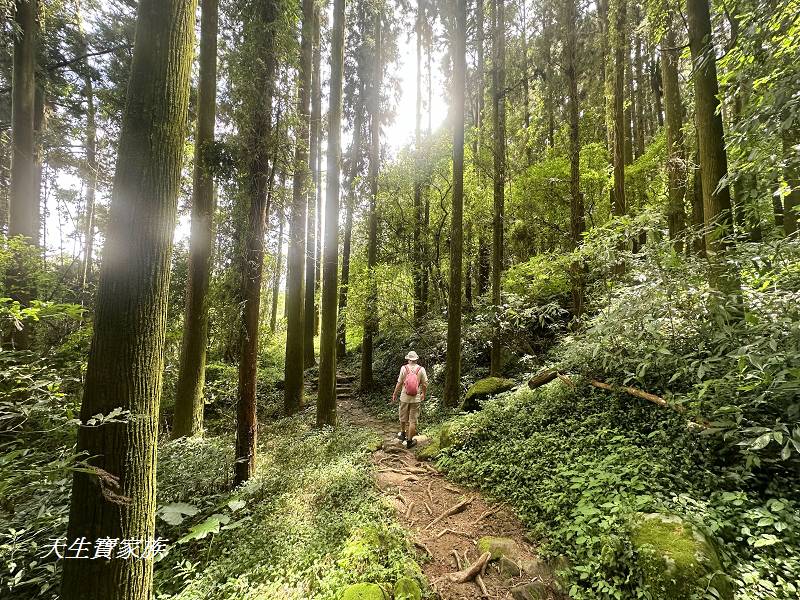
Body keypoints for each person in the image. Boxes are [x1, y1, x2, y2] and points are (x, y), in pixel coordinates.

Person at [392, 350, 428, 448]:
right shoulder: (421, 369)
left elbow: (399, 383)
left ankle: (402, 434)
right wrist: (423, 394)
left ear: (408, 359)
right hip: (415, 398)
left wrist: (395, 393)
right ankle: (409, 441)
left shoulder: (404, 368)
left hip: (404, 397)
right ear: (416, 359)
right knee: (412, 420)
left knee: (403, 416)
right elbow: (424, 384)